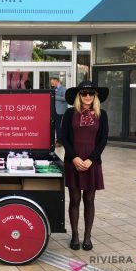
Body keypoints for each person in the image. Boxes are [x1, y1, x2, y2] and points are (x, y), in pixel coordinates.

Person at [62, 81, 109, 251]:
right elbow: (64, 137)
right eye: (84, 93)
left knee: (89, 200)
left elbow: (103, 139)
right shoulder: (69, 113)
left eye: (91, 93)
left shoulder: (101, 114)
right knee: (74, 200)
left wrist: (91, 159)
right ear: (78, 96)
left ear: (95, 96)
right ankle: (75, 235)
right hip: (72, 161)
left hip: (92, 162)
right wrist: (74, 157)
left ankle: (87, 237)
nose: (87, 96)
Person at [51, 77, 67, 147]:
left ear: (56, 81)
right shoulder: (54, 89)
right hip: (54, 110)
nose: (52, 84)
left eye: (52, 82)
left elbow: (65, 98)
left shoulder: (63, 89)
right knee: (54, 126)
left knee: (58, 126)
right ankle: (55, 140)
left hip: (60, 111)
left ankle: (60, 141)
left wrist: (55, 96)